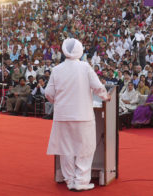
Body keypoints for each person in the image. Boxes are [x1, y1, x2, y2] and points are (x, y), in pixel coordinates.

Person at [45, 38, 110, 191]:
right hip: (83, 116)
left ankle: (69, 180)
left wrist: (59, 103)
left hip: (62, 116)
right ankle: (81, 181)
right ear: (80, 50)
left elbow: (48, 93)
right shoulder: (85, 67)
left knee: (65, 149)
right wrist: (106, 97)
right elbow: (98, 87)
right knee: (85, 148)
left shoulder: (57, 69)